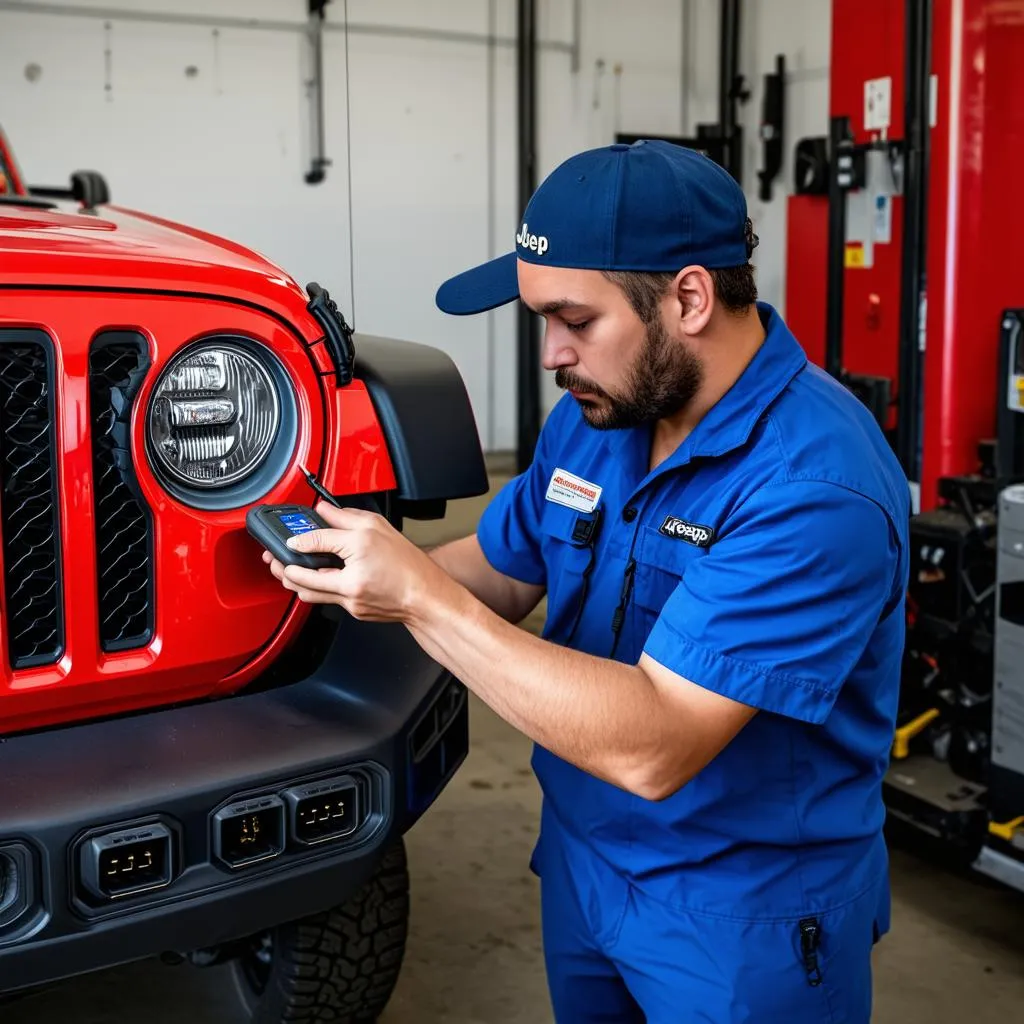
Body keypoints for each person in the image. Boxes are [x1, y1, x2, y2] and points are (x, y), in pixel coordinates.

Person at [263, 139, 911, 1022]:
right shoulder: (603, 415)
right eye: (540, 320)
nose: (551, 355)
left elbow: (654, 745)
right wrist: (321, 594)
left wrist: (418, 594)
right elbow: (498, 569)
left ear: (687, 296)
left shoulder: (813, 486)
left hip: (742, 914)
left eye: (575, 320)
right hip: (586, 863)